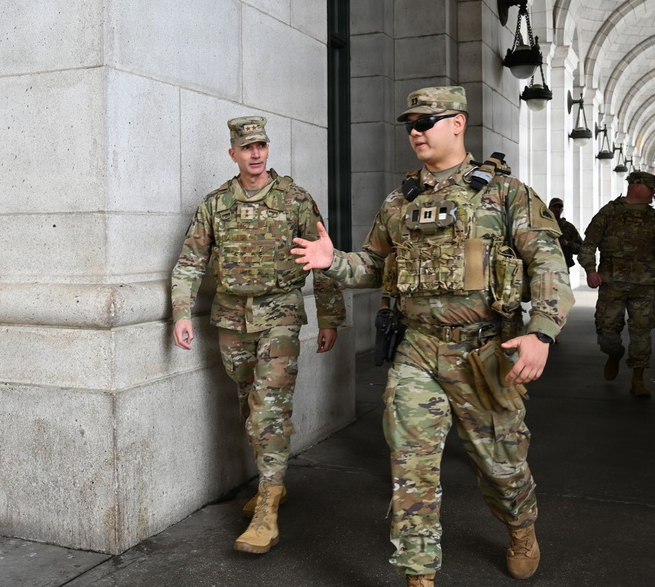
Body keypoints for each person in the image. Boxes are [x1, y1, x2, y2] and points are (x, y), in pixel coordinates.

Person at [291, 86, 573, 585]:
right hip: (416, 349)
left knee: (502, 469)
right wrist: (330, 261)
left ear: (458, 122)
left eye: (427, 121)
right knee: (411, 471)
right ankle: (418, 575)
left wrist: (542, 332)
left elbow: (547, 261)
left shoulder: (505, 194)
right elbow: (374, 265)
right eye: (410, 124)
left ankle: (521, 527)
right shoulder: (401, 200)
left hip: (484, 353)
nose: (416, 131)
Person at [170, 116, 345, 554]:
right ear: (233, 153)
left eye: (261, 145)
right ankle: (274, 482)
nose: (255, 153)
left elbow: (321, 260)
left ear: (268, 149)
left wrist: (329, 317)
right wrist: (180, 312)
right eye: (246, 147)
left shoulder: (295, 200)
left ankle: (268, 506)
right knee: (249, 404)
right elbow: (190, 261)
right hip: (231, 319)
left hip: (280, 314)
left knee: (268, 407)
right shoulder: (215, 205)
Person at [578, 171, 655, 398]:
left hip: (643, 285)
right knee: (606, 331)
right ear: (636, 186)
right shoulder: (609, 213)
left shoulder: (654, 218)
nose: (654, 192)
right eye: (651, 187)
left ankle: (638, 379)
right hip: (612, 284)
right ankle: (614, 354)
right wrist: (590, 270)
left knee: (642, 332)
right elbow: (588, 245)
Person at [548, 197, 583, 269]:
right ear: (549, 208)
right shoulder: (542, 225)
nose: (557, 209)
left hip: (563, 266)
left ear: (562, 210)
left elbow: (582, 248)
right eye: (554, 206)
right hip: (545, 265)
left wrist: (568, 244)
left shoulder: (569, 227)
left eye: (559, 207)